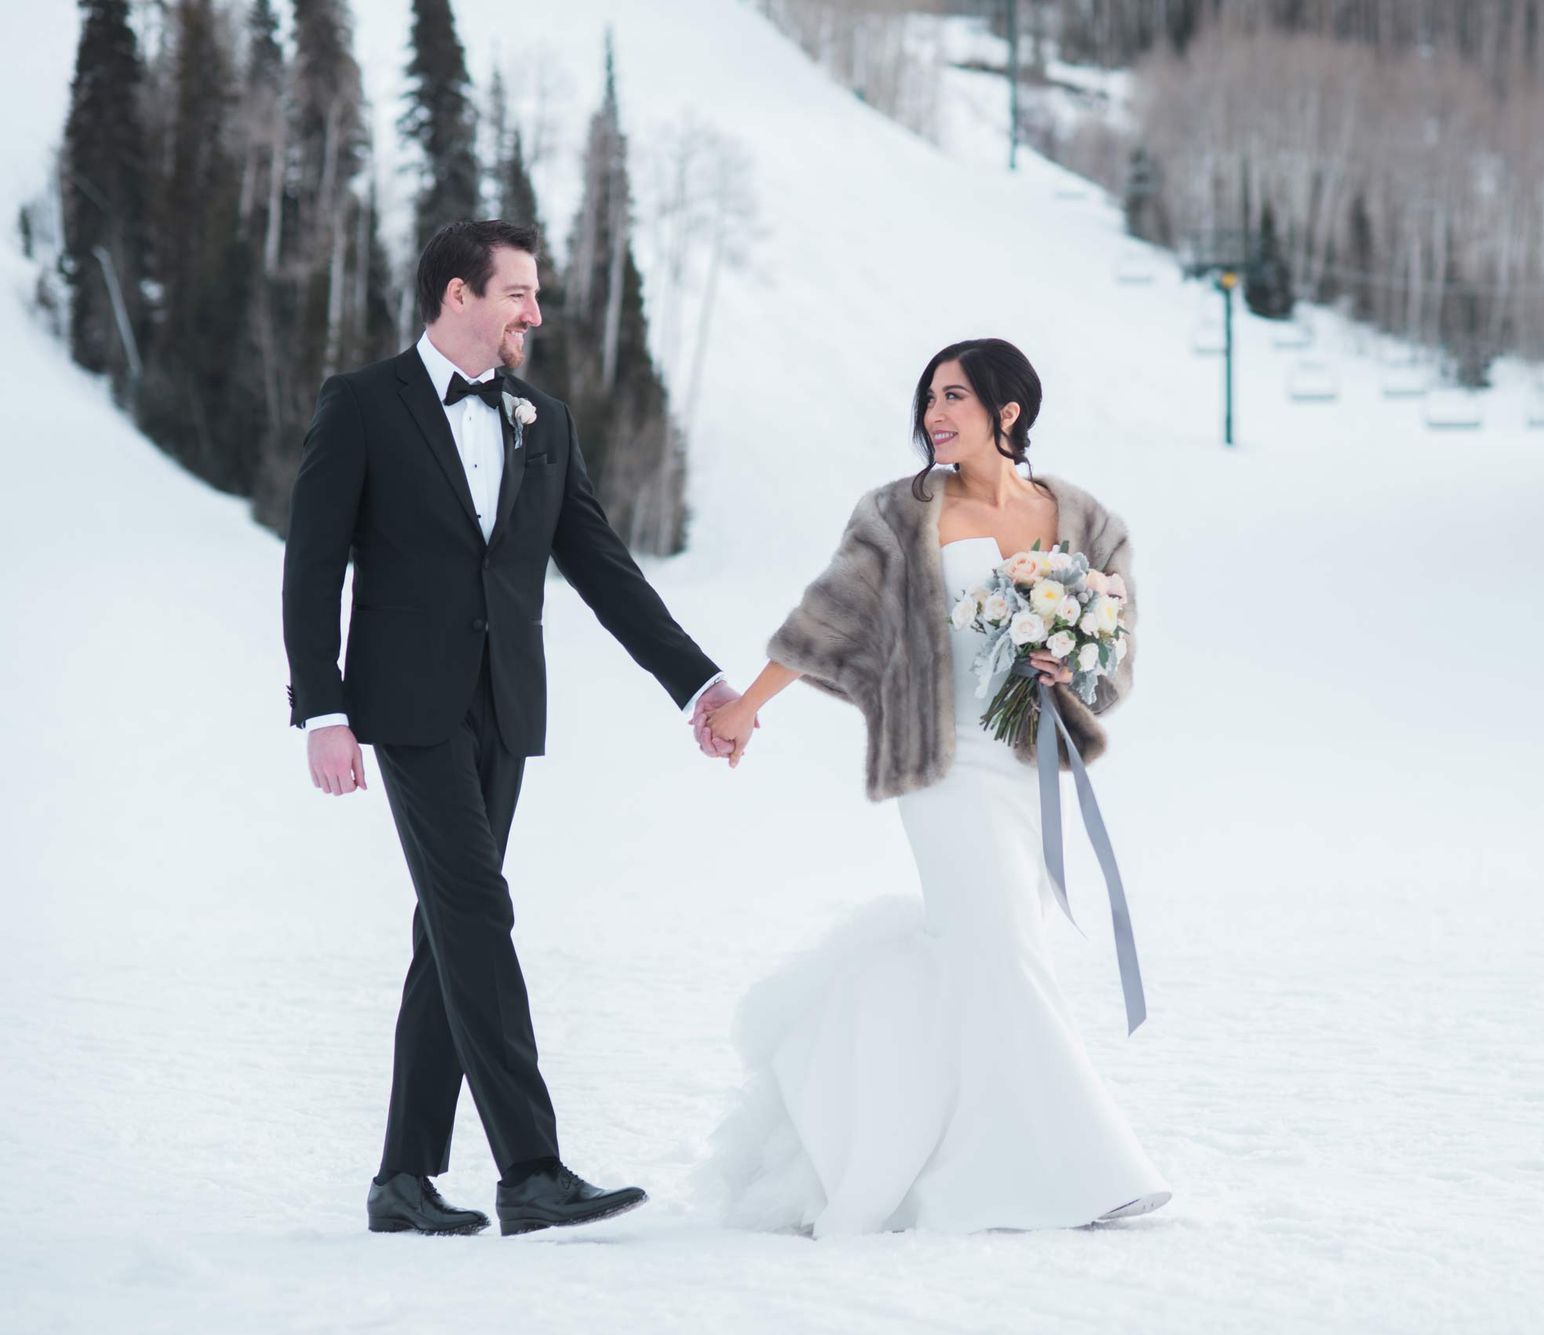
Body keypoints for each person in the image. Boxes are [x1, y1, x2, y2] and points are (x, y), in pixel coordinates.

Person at [281, 219, 745, 1237]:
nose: (534, 313)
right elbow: (312, 565)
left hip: (506, 706)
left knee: (447, 929)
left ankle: (401, 1179)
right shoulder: (362, 406)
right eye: (517, 293)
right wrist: (322, 709)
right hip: (403, 709)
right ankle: (529, 1168)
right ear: (458, 295)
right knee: (477, 913)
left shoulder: (542, 418)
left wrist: (698, 685)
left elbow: (605, 571)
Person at [698, 337, 1170, 1236]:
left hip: (1031, 769)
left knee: (988, 956)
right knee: (1005, 952)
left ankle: (884, 1127)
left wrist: (1065, 665)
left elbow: (1112, 655)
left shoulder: (1083, 519)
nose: (934, 415)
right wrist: (743, 708)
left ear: (1010, 411)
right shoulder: (896, 513)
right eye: (928, 399)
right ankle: (1096, 1168)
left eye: (954, 396)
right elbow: (824, 619)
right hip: (941, 766)